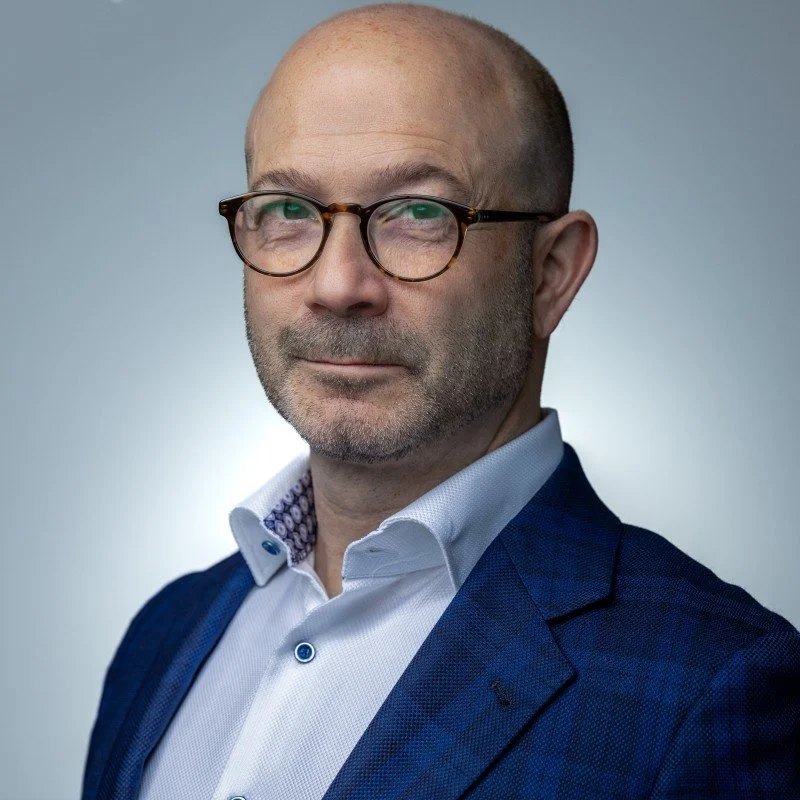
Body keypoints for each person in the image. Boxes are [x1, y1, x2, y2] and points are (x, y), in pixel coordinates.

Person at [81, 4, 800, 799]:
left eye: (419, 215)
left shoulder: (713, 683)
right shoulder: (162, 636)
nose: (336, 285)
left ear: (550, 273)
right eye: (288, 211)